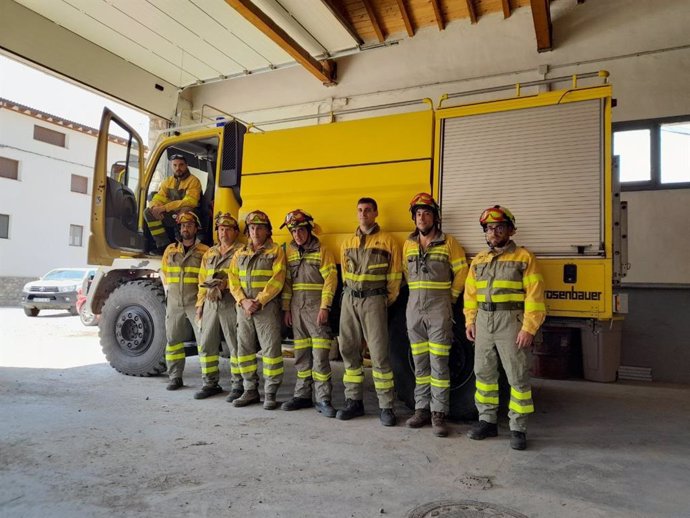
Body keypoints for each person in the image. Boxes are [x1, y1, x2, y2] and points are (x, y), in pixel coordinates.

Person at [464, 206, 546, 450]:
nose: (494, 232)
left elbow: (535, 296)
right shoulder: (478, 260)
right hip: (483, 321)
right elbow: (470, 295)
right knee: (484, 373)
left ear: (510, 230)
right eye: (489, 228)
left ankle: (518, 428)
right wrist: (470, 320)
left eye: (499, 227)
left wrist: (529, 328)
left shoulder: (524, 258)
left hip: (511, 322)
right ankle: (487, 421)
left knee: (517, 375)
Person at [402, 193, 468, 437]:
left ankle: (438, 414)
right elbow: (404, 272)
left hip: (439, 307)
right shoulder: (408, 245)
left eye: (427, 213)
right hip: (414, 308)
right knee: (420, 362)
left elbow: (462, 272)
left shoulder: (449, 242)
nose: (422, 217)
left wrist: (450, 297)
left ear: (435, 217)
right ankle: (421, 409)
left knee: (439, 362)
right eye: (418, 214)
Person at [336, 197, 402, 426]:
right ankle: (353, 402)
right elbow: (345, 273)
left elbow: (395, 278)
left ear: (376, 213)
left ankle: (386, 407)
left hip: (374, 301)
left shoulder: (388, 241)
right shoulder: (347, 242)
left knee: (379, 354)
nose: (363, 214)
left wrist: (384, 300)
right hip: (349, 300)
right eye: (360, 210)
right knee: (348, 349)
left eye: (367, 210)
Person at [279, 210, 338, 417]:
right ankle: (302, 395)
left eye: (300, 230)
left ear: (308, 230)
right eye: (293, 231)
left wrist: (325, 307)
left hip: (316, 308)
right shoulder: (290, 252)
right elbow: (287, 283)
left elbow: (330, 280)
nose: (297, 235)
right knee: (301, 356)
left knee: (320, 356)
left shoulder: (322, 251)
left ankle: (323, 399)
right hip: (296, 308)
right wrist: (286, 309)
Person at [228, 211, 287, 410]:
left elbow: (278, 280)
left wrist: (259, 301)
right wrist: (243, 301)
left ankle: (270, 393)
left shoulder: (276, 251)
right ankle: (249, 389)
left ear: (268, 230)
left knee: (271, 350)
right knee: (244, 350)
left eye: (260, 227)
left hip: (266, 308)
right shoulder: (240, 253)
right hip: (244, 309)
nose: (255, 231)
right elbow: (232, 280)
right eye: (252, 227)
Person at [193, 212, 244, 401]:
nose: (224, 233)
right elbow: (201, 280)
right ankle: (209, 383)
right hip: (210, 302)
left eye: (228, 229)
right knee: (206, 343)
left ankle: (238, 386)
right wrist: (200, 304)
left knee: (235, 345)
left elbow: (243, 277)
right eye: (221, 229)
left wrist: (228, 285)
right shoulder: (210, 253)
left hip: (231, 302)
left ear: (235, 232)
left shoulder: (241, 251)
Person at [161, 212, 209, 391]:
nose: (185, 228)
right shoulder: (170, 250)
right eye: (182, 226)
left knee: (204, 342)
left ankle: (208, 381)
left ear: (196, 228)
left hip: (195, 302)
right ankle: (175, 377)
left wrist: (201, 303)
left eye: (189, 225)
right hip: (174, 303)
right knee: (173, 340)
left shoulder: (205, 251)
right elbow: (165, 273)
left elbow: (206, 277)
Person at [144, 154, 202, 252]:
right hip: (171, 213)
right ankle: (163, 245)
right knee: (147, 212)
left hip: (188, 212)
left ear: (186, 165)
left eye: (181, 165)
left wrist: (164, 208)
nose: (178, 168)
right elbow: (157, 198)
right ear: (171, 166)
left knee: (184, 212)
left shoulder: (193, 181)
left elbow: (190, 202)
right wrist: (154, 208)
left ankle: (183, 248)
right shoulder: (167, 181)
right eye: (175, 165)